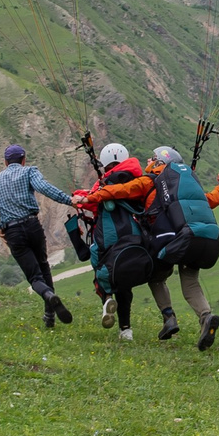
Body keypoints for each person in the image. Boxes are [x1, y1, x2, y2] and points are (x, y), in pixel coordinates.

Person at [0, 144, 76, 328]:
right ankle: (50, 316)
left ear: (5, 162)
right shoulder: (29, 172)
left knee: (35, 277)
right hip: (32, 225)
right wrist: (69, 200)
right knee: (44, 266)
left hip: (12, 232)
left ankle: (48, 297)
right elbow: (45, 188)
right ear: (23, 160)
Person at [144, 145, 219, 349]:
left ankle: (169, 318)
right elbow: (208, 200)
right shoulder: (186, 183)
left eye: (151, 158)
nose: (147, 162)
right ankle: (205, 317)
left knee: (157, 277)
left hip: (175, 241)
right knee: (190, 281)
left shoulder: (153, 182)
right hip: (201, 236)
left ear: (159, 162)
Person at [74, 142, 155, 342]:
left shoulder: (103, 184)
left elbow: (93, 203)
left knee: (103, 273)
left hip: (108, 239)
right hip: (134, 237)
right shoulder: (139, 180)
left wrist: (79, 196)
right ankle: (125, 329)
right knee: (124, 281)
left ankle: (107, 299)